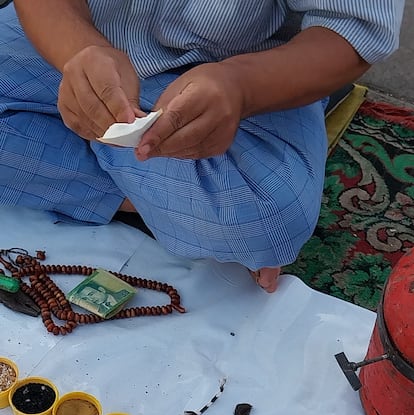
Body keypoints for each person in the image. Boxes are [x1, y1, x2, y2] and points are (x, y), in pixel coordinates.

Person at [0, 2, 405, 292]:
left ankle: (77, 157)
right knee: (236, 213)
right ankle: (156, 192)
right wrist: (77, 53)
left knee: (270, 218)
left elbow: (350, 29)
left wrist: (240, 87)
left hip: (249, 72)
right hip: (80, 40)